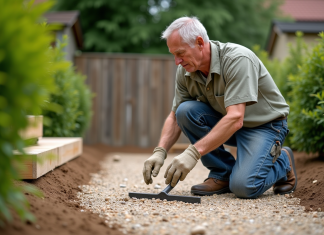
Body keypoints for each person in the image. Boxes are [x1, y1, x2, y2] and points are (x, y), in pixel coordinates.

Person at [142, 16, 297, 199]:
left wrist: (193, 153)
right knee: (185, 111)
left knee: (244, 187)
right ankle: (222, 173)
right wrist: (160, 152)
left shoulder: (237, 59)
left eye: (180, 53)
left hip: (265, 127)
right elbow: (175, 116)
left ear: (200, 43)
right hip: (231, 126)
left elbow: (235, 118)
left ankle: (283, 161)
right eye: (173, 55)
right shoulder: (186, 71)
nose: (177, 61)